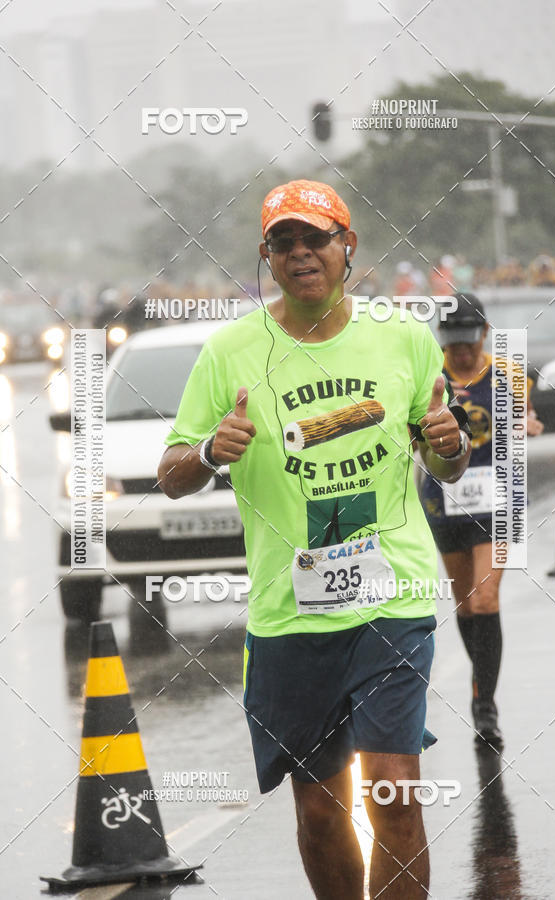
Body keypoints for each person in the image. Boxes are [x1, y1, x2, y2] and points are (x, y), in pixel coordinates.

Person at [158, 179, 472, 899]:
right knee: (320, 810)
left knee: (392, 787)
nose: (300, 254)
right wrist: (210, 451)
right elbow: (171, 474)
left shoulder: (402, 337)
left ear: (348, 247)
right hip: (288, 611)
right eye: (283, 243)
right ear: (266, 256)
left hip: (391, 596)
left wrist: (447, 446)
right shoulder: (230, 350)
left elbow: (445, 464)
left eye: (315, 238)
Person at [418, 293, 543, 751]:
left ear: (485, 334)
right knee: (466, 605)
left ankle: (484, 704)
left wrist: (527, 422)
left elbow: (525, 414)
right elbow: (414, 437)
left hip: (499, 501)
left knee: (486, 598)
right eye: (453, 342)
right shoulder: (428, 378)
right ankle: (481, 686)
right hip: (443, 501)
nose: (462, 351)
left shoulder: (511, 373)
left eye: (469, 341)